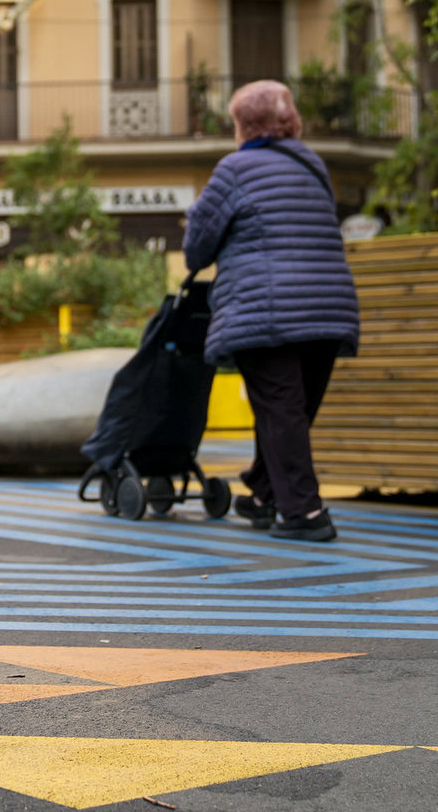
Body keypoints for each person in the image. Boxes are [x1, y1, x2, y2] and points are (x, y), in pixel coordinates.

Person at [183, 80, 360, 542]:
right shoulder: (312, 163)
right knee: (290, 411)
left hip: (265, 310)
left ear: (243, 125)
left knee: (281, 410)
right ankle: (264, 493)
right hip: (327, 307)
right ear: (290, 120)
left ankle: (303, 513)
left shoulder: (234, 169)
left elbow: (197, 249)